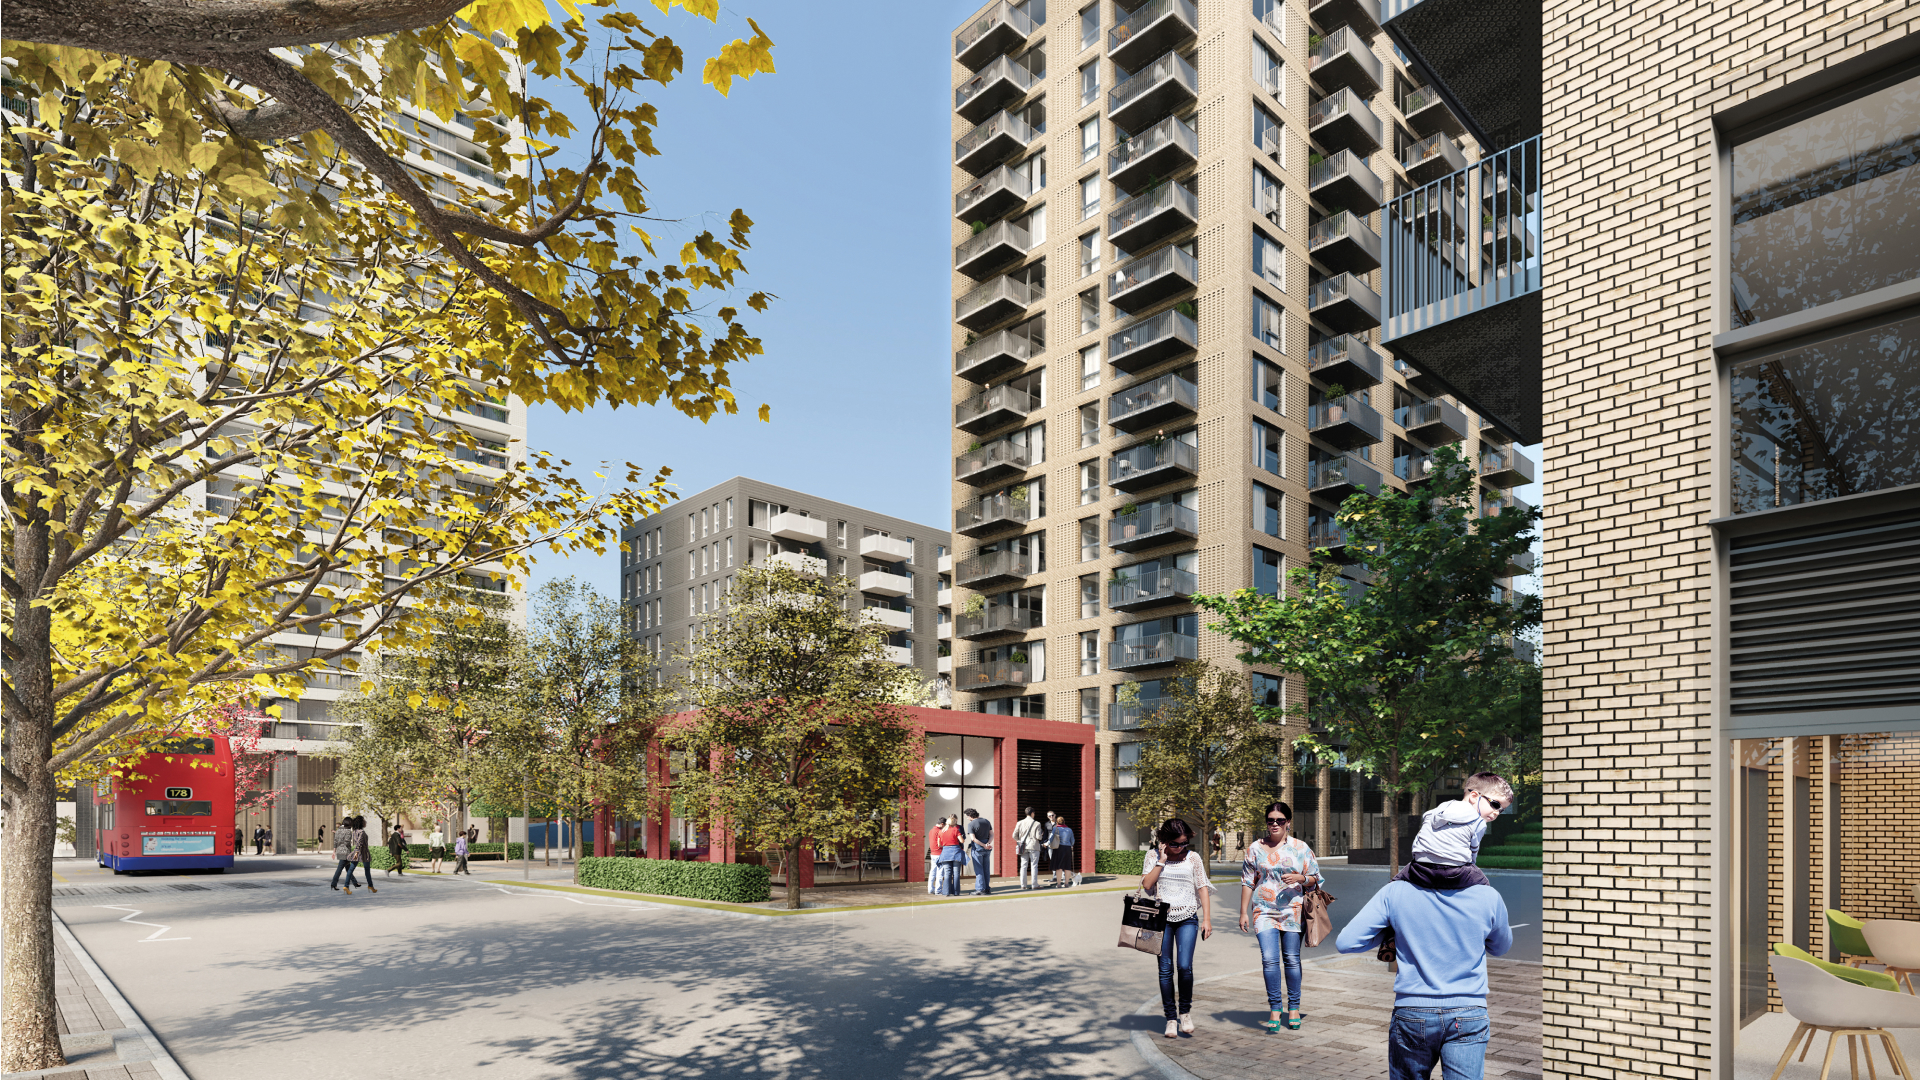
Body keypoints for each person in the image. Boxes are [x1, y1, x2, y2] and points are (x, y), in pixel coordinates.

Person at [1336, 841, 1514, 1080]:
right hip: (1469, 1010)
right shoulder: (1488, 896)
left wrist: (1396, 929)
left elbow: (1347, 942)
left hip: (1412, 1010)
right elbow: (1501, 947)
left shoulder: (1395, 891)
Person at [1238, 800, 1322, 1032]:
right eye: (1270, 820)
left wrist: (1301, 879)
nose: (1275, 824)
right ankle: (1275, 1008)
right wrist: (1243, 912)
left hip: (1292, 909)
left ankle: (1293, 1007)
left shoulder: (1301, 847)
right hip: (1263, 910)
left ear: (1288, 822)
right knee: (1269, 959)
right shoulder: (1254, 849)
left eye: (1280, 820)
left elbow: (1316, 878)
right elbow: (1247, 881)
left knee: (1292, 959)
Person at [1143, 818, 1214, 1039]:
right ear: (1164, 841)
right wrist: (1162, 860)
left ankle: (1185, 1013)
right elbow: (1147, 885)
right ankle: (1171, 1018)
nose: (1181, 848)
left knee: (1184, 967)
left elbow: (1202, 887)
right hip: (1161, 919)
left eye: (1184, 843)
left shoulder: (1193, 858)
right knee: (1165, 969)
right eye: (1176, 844)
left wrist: (1207, 919)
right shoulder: (1153, 856)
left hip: (1187, 917)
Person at [1397, 773, 1511, 891]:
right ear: (1474, 796)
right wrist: (1470, 866)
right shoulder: (1478, 822)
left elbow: (1420, 838)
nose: (1497, 812)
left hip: (1421, 868)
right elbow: (1473, 851)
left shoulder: (1436, 811)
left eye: (1501, 810)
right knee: (1484, 884)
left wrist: (1418, 858)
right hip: (1454, 873)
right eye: (1495, 804)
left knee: (1400, 878)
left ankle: (1392, 887)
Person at [962, 808, 994, 895]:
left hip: (977, 848)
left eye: (967, 817)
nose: (967, 818)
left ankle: (980, 889)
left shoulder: (971, 824)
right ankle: (987, 889)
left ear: (970, 816)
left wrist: (983, 845)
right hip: (987, 848)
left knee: (979, 869)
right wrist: (987, 843)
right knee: (986, 869)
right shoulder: (986, 821)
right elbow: (992, 834)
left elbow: (973, 838)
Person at [1013, 807, 1044, 891]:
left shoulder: (1019, 822)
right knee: (1034, 865)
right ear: (1032, 813)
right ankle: (1034, 884)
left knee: (1023, 866)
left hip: (1023, 846)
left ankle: (1023, 885)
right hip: (1033, 846)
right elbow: (1038, 837)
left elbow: (1014, 835)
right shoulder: (1037, 823)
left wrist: (1019, 841)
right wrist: (1041, 834)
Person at [933, 815, 965, 896]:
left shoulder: (941, 832)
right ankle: (956, 892)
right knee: (956, 873)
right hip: (956, 852)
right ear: (954, 823)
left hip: (946, 852)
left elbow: (939, 844)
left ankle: (946, 892)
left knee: (947, 873)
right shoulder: (956, 830)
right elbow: (962, 841)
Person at [329, 819, 358, 893]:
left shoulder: (338, 830)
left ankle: (355, 882)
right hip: (346, 852)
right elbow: (347, 842)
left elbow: (335, 841)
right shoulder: (348, 831)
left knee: (347, 867)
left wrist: (334, 852)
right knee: (340, 868)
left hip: (339, 851)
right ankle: (334, 883)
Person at [1050, 814, 1076, 888]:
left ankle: (1058, 884)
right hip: (1067, 849)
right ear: (1064, 822)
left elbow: (1051, 839)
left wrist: (1047, 844)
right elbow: (1073, 841)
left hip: (1058, 848)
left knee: (1059, 867)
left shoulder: (1055, 828)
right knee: (1067, 866)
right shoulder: (1069, 829)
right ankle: (1066, 883)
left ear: (1057, 822)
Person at [352, 816, 377, 894]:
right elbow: (359, 843)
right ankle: (370, 885)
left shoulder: (354, 832)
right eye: (364, 821)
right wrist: (356, 852)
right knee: (366, 870)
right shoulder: (362, 832)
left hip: (359, 852)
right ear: (361, 823)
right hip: (363, 852)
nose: (366, 822)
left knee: (351, 869)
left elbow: (357, 842)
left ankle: (347, 885)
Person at [925, 816, 948, 894]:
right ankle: (938, 890)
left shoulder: (931, 831)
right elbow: (943, 842)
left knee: (932, 872)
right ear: (942, 824)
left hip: (933, 853)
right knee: (940, 873)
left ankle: (930, 889)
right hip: (940, 853)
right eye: (945, 825)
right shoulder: (940, 831)